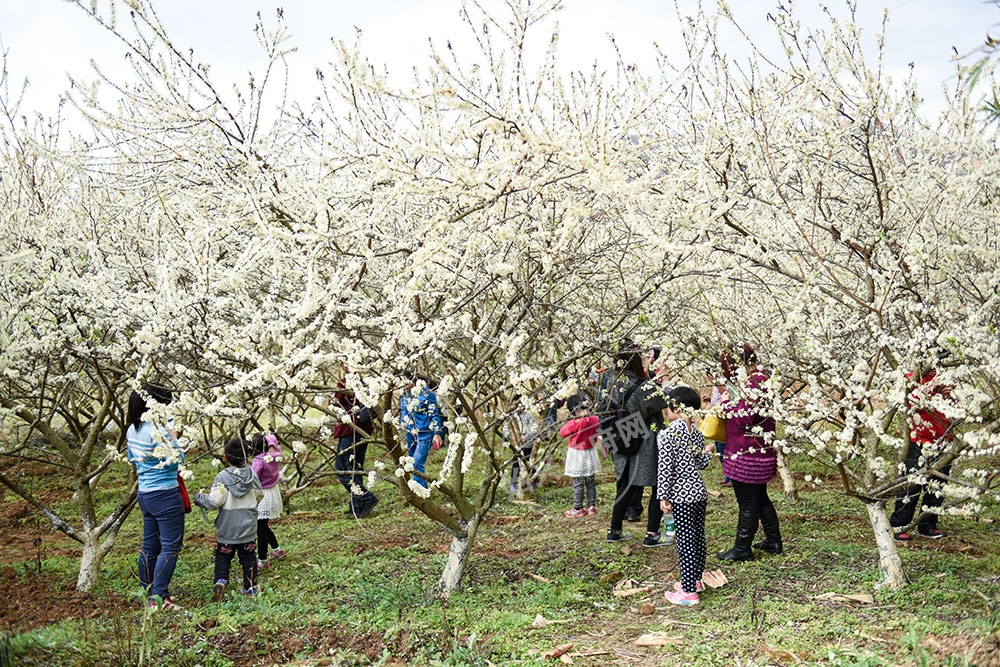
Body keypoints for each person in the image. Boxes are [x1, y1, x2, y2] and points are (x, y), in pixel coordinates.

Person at [599, 339, 670, 545]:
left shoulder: (609, 381)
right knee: (658, 485)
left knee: (625, 486)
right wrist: (663, 376)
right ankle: (652, 534)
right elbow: (662, 400)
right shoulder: (643, 387)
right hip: (644, 441)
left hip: (620, 436)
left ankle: (615, 530)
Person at [716, 344, 781, 562]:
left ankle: (742, 547)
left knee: (747, 502)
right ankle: (773, 540)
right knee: (760, 497)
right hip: (755, 450)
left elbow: (745, 418)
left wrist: (724, 407)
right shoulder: (758, 380)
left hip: (748, 453)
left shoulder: (754, 382)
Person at [126, 384, 186, 610]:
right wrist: (174, 437)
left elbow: (133, 458)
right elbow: (178, 458)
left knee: (150, 546)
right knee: (171, 547)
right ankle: (158, 597)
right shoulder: (158, 432)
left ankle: (148, 590)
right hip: (166, 495)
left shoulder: (133, 430)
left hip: (146, 493)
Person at [657, 386, 714, 606]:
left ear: (676, 408)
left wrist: (662, 495)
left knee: (685, 542)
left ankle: (688, 591)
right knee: (698, 538)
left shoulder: (668, 434)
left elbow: (665, 467)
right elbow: (701, 464)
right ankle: (695, 580)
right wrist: (708, 452)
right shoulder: (697, 434)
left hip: (681, 496)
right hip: (699, 493)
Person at [195, 437, 264, 601]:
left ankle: (220, 581)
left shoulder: (222, 477)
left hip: (227, 528)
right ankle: (250, 588)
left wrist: (200, 498)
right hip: (247, 528)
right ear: (247, 456)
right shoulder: (252, 475)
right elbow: (259, 495)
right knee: (248, 557)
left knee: (223, 556)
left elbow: (215, 501)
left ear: (225, 457)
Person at [890, 366, 954, 541]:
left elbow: (954, 406)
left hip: (943, 439)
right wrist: (932, 388)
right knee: (913, 482)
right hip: (920, 439)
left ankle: (927, 524)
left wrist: (949, 395)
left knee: (937, 484)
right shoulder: (914, 376)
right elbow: (912, 403)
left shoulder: (945, 377)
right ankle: (900, 524)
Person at [333, 372, 379, 517]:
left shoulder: (346, 381)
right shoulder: (369, 380)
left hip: (350, 430)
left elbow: (336, 404)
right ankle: (357, 505)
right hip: (364, 430)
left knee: (342, 469)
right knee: (355, 468)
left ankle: (366, 498)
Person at [559, 394, 602, 517]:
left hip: (577, 454)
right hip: (590, 453)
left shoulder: (575, 422)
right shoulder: (594, 419)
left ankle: (578, 508)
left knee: (578, 482)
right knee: (590, 481)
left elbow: (562, 433)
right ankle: (591, 506)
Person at [399, 374, 445, 489]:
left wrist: (437, 433)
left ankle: (422, 491)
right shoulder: (404, 395)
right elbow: (403, 411)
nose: (403, 384)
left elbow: (434, 414)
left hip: (425, 434)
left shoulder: (427, 394)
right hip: (411, 433)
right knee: (411, 462)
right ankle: (418, 488)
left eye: (405, 380)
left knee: (416, 463)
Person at [251, 433, 286, 571]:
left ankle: (262, 560)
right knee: (263, 526)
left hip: (262, 496)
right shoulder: (274, 455)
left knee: (261, 529)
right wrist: (271, 443)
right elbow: (271, 436)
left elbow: (252, 478)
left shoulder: (259, 460)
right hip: (272, 492)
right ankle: (277, 550)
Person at [505, 396, 540, 494]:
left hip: (528, 444)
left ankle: (532, 481)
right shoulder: (511, 417)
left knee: (529, 463)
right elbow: (506, 430)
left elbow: (534, 429)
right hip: (517, 445)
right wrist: (512, 437)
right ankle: (513, 483)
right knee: (516, 464)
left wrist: (526, 436)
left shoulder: (528, 416)